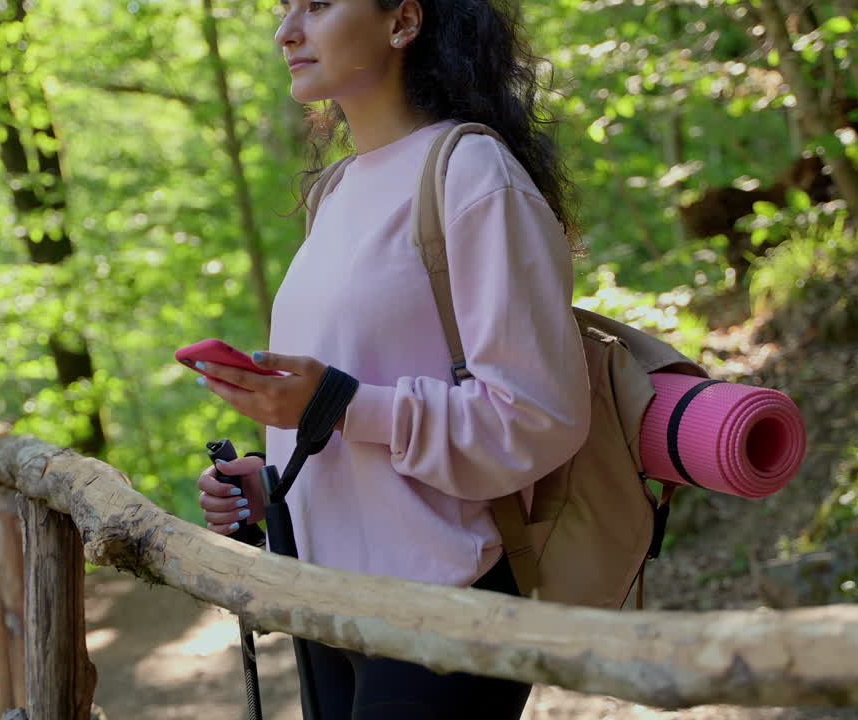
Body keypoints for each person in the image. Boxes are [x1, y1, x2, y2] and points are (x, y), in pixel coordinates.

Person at [193, 0, 591, 717]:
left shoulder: (473, 174)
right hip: (326, 605)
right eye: (284, 10)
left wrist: (340, 406)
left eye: (316, 5)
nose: (286, 31)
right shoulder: (335, 191)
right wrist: (273, 484)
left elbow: (538, 414)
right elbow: (351, 410)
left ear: (403, 21)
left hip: (441, 610)